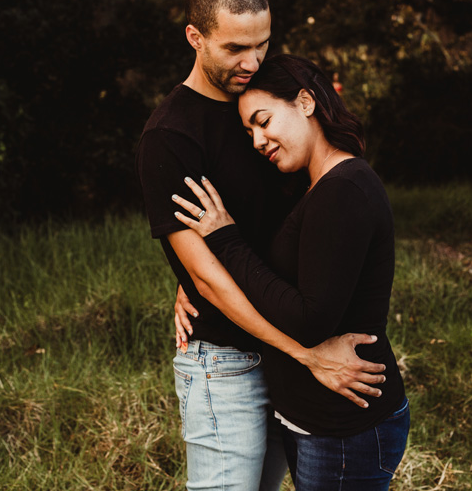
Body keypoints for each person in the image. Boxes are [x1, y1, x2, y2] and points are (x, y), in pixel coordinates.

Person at [136, 0, 386, 491]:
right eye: (234, 49)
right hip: (229, 361)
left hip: (286, 354)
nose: (251, 62)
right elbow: (207, 277)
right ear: (195, 37)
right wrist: (306, 353)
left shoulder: (268, 100)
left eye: (263, 44)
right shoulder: (170, 136)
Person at [171, 54, 409, 490]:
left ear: (305, 101)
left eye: (264, 121)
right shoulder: (316, 186)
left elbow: (309, 319)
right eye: (249, 131)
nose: (258, 140)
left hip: (344, 424)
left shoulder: (342, 190)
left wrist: (225, 241)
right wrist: (197, 280)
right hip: (319, 419)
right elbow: (282, 275)